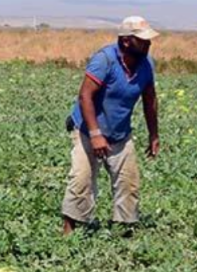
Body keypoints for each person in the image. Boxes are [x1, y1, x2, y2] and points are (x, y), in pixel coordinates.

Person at [61, 16, 161, 236]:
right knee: (81, 179)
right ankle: (68, 236)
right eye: (142, 40)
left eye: (148, 39)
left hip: (120, 133)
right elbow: (85, 96)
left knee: (128, 182)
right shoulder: (104, 60)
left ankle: (124, 234)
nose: (148, 44)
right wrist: (96, 135)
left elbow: (150, 99)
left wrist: (154, 134)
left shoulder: (146, 65)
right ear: (126, 41)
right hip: (88, 129)